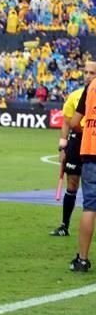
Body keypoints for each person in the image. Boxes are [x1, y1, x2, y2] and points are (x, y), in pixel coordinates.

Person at [52, 62, 96, 236]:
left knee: (90, 191)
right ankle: (65, 225)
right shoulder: (76, 95)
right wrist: (63, 145)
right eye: (85, 72)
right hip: (78, 141)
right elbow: (67, 122)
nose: (88, 75)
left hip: (90, 141)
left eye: (92, 72)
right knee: (72, 184)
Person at [66, 74, 96, 273]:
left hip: (91, 151)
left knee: (90, 207)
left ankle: (82, 259)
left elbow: (74, 122)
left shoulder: (91, 86)